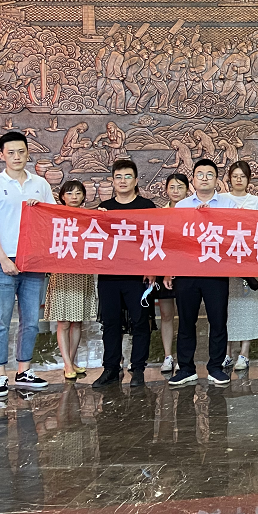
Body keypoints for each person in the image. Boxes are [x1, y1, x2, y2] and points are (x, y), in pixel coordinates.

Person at [0, 130, 54, 398]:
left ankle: (24, 370)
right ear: (2, 155)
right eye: (11, 153)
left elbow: (52, 220)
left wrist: (40, 207)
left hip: (32, 262)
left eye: (21, 152)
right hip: (3, 262)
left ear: (28, 153)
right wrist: (2, 259)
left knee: (31, 321)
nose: (17, 157)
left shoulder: (40, 184)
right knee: (0, 320)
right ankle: (0, 375)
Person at [164, 158, 237, 388]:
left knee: (218, 321)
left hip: (216, 271)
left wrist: (213, 217)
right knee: (186, 321)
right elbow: (174, 241)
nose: (204, 178)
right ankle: (186, 368)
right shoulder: (182, 206)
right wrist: (169, 270)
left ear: (217, 180)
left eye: (209, 174)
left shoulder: (228, 204)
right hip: (187, 272)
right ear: (193, 179)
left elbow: (235, 234)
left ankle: (215, 367)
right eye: (200, 174)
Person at [92, 159, 156, 389]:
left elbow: (156, 240)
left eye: (128, 176)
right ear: (112, 181)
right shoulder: (104, 208)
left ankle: (138, 369)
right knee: (110, 323)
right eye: (118, 177)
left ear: (136, 180)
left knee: (140, 322)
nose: (122, 181)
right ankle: (111, 368)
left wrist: (153, 269)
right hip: (109, 275)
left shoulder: (147, 207)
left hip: (139, 276)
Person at [44, 180, 96, 381]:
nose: (74, 197)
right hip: (62, 274)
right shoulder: (55, 215)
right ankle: (66, 363)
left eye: (78, 193)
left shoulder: (89, 217)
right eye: (70, 193)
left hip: (82, 273)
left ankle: (71, 361)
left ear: (83, 196)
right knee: (64, 322)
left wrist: (102, 214)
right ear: (62, 197)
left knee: (77, 321)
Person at [223, 160, 258, 375]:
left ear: (249, 179)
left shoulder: (256, 201)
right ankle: (226, 352)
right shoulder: (221, 200)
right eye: (235, 176)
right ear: (229, 179)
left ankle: (244, 353)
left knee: (248, 306)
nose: (238, 179)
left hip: (250, 260)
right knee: (225, 307)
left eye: (242, 176)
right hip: (226, 261)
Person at [155, 172, 190, 374]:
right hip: (165, 270)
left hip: (186, 270)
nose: (176, 191)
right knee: (166, 314)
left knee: (186, 316)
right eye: (172, 187)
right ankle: (168, 356)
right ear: (166, 190)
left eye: (180, 187)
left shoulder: (193, 212)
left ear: (187, 190)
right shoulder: (160, 214)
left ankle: (184, 358)